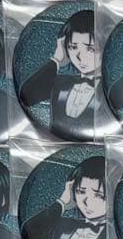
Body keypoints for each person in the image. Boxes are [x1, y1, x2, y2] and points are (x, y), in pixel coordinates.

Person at [21, 156, 110, 239]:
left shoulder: (114, 237)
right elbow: (28, 235)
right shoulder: (64, 225)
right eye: (81, 192)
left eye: (98, 195)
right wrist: (62, 202)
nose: (86, 201)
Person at [18, 10, 101, 141]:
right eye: (73, 47)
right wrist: (57, 60)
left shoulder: (110, 91)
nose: (80, 56)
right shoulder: (61, 83)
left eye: (90, 49)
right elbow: (27, 96)